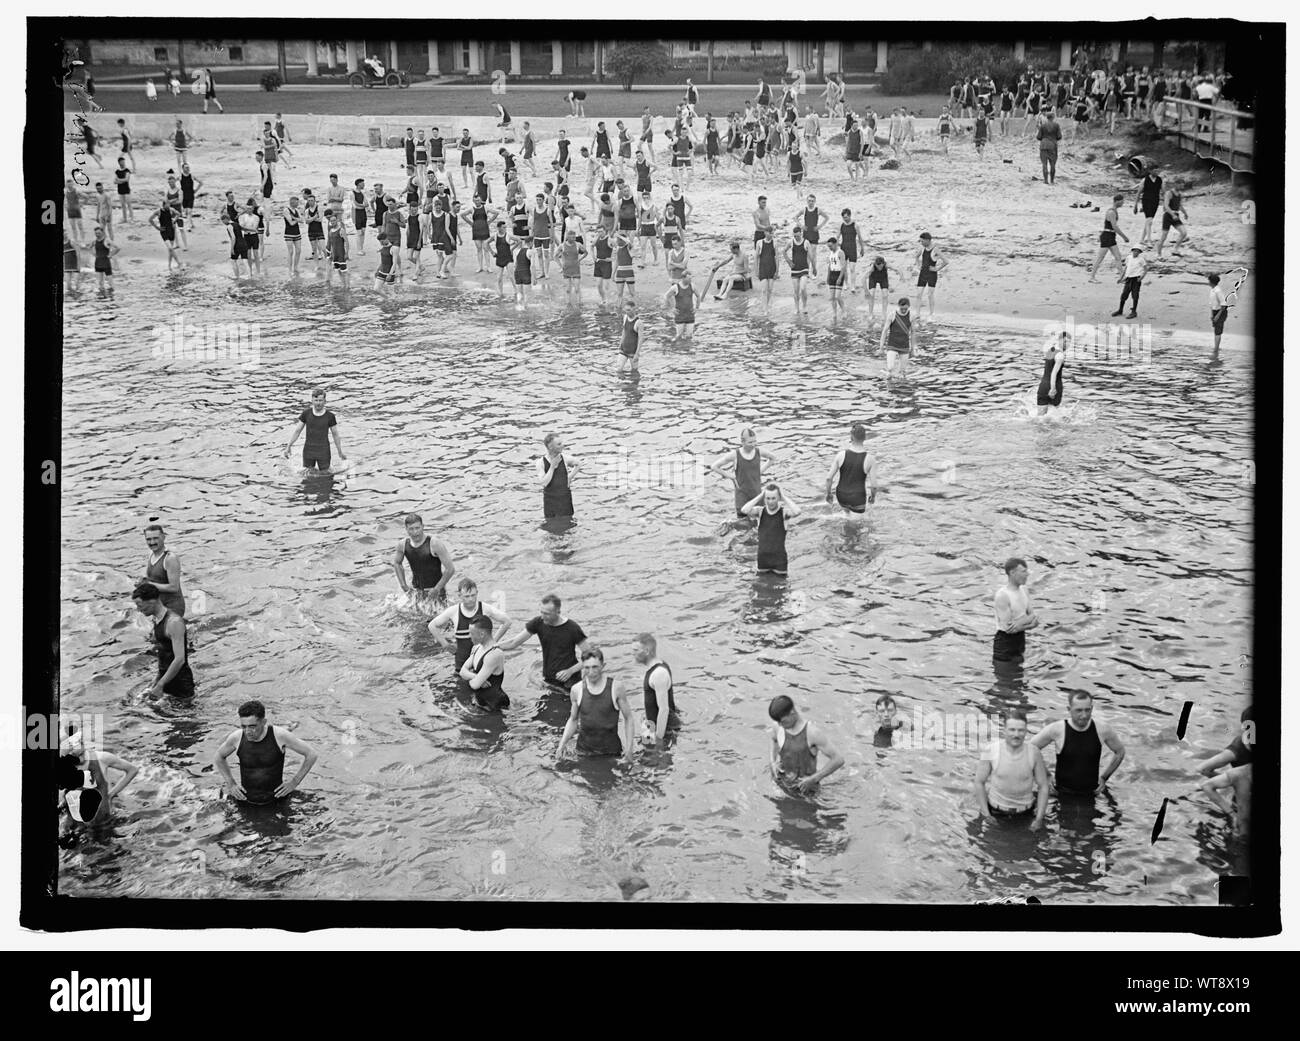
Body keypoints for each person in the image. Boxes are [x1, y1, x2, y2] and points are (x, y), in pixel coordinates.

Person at [213, 700, 318, 805]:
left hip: (277, 799)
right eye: (243, 726)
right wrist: (231, 784)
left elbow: (311, 754)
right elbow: (219, 756)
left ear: (263, 722)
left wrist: (294, 782)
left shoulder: (279, 736)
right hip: (246, 799)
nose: (247, 731)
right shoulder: (237, 737)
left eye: (252, 726)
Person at [1030, 692, 1127, 796]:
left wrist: (1104, 777)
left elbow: (1120, 751)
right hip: (1061, 791)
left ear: (1092, 708)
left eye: (1087, 710)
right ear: (1069, 709)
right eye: (1079, 710)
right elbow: (1030, 748)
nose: (1084, 715)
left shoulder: (1102, 729)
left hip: (1091, 792)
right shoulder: (1057, 729)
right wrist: (1046, 776)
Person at [556, 647, 636, 763]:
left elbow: (628, 718)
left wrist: (629, 749)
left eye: (595, 667)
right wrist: (561, 744)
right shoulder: (576, 689)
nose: (591, 672)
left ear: (603, 666)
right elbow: (573, 719)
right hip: (584, 751)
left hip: (611, 752)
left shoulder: (616, 688)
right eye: (587, 668)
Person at [974, 710, 1050, 830]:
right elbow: (979, 782)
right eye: (1012, 729)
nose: (1016, 734)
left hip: (1025, 813)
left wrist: (1039, 818)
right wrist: (986, 814)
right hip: (996, 811)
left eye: (1021, 730)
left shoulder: (1034, 753)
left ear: (1026, 731)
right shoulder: (991, 750)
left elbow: (1043, 786)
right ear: (1004, 730)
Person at [498, 593, 590, 690]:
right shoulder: (538, 623)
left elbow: (591, 656)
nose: (542, 616)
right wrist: (491, 646)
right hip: (549, 679)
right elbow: (514, 642)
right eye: (541, 612)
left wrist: (570, 671)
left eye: (546, 614)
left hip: (571, 680)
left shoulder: (572, 628)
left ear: (558, 611)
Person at [429, 577, 513, 671]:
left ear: (477, 593)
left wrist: (493, 642)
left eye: (473, 595)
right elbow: (432, 626)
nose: (471, 599)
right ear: (459, 595)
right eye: (467, 596)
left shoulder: (485, 608)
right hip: (461, 664)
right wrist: (445, 644)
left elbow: (507, 621)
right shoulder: (454, 611)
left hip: (483, 663)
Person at [767, 695, 844, 794]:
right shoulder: (777, 727)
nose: (780, 725)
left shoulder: (812, 733)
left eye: (783, 722)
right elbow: (774, 741)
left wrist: (813, 779)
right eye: (778, 722)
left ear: (792, 712)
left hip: (806, 792)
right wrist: (773, 762)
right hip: (783, 785)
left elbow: (838, 759)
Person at [132, 581, 194, 697]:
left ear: (152, 601)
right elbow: (164, 652)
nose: (138, 610)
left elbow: (179, 659)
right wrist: (157, 680)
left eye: (140, 605)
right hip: (165, 677)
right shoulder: (156, 619)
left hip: (180, 683)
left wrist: (160, 685)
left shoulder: (174, 622)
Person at [710, 427, 780, 519]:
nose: (753, 445)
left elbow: (773, 458)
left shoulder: (759, 451)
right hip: (742, 499)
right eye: (750, 442)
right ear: (742, 442)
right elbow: (714, 466)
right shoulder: (735, 455)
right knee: (742, 527)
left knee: (761, 525)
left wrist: (760, 471)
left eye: (755, 441)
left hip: (757, 496)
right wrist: (731, 476)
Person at [391, 513, 455, 605]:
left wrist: (437, 589)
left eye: (417, 528)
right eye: (411, 529)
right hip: (416, 591)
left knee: (437, 618)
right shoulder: (403, 545)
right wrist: (404, 586)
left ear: (423, 527)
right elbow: (397, 563)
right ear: (406, 529)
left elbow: (450, 569)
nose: (415, 532)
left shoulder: (434, 543)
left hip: (436, 591)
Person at [632, 633, 679, 752]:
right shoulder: (658, 666)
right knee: (645, 758)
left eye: (636, 650)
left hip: (664, 730)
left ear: (647, 651)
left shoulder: (659, 674)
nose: (632, 653)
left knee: (655, 762)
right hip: (651, 726)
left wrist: (658, 742)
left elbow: (664, 710)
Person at [742, 483, 801, 575]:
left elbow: (797, 511)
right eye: (768, 498)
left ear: (778, 498)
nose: (770, 501)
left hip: (779, 560)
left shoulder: (784, 513)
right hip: (763, 559)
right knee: (760, 586)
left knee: (780, 587)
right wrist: (761, 495)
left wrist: (784, 497)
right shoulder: (760, 512)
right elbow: (744, 510)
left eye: (773, 498)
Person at [284, 386, 345, 472]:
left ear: (325, 401)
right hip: (309, 450)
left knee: (326, 475)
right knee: (307, 473)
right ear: (312, 401)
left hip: (323, 451)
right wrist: (288, 446)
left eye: (320, 400)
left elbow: (335, 434)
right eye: (316, 400)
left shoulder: (330, 416)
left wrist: (340, 452)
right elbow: (297, 431)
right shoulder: (306, 414)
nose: (318, 403)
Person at [824, 422, 877, 515]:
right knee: (860, 521)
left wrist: (828, 494)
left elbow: (828, 478)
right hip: (858, 498)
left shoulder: (841, 455)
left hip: (841, 496)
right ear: (865, 438)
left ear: (851, 437)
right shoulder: (870, 459)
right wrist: (872, 498)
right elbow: (874, 486)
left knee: (847, 515)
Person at [993, 557, 1038, 665]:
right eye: (1023, 571)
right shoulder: (1002, 595)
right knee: (1005, 678)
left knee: (1019, 676)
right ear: (1012, 573)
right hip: (1005, 644)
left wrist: (1019, 623)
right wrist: (1030, 625)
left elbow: (1033, 615)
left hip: (1020, 639)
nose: (1027, 574)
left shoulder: (1024, 590)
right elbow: (1008, 629)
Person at [459, 617, 509, 711]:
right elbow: (462, 672)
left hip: (495, 706)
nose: (469, 636)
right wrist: (475, 676)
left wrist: (472, 678)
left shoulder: (494, 654)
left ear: (482, 634)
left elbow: (474, 685)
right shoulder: (477, 647)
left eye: (472, 633)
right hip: (481, 702)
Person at [140, 524, 186, 616]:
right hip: (158, 606)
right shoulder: (151, 555)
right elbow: (153, 579)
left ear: (163, 537)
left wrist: (149, 585)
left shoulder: (170, 558)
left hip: (173, 607)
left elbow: (174, 587)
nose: (152, 542)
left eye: (155, 538)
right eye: (148, 539)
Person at [1088, 194, 1129, 281]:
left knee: (1118, 256)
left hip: (1110, 236)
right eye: (1122, 201)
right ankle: (1092, 277)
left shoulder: (1114, 211)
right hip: (1107, 236)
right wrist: (1124, 237)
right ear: (1117, 201)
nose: (1123, 203)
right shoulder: (1111, 212)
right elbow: (1114, 226)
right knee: (1100, 257)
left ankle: (1122, 277)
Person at [537, 432, 576, 518]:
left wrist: (570, 477)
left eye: (562, 443)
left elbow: (578, 464)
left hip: (565, 498)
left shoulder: (565, 458)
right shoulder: (541, 462)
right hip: (550, 500)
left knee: (568, 523)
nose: (563, 445)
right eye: (559, 444)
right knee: (551, 525)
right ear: (550, 447)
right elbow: (544, 483)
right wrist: (552, 467)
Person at [879, 296, 917, 380]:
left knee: (902, 372)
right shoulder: (892, 315)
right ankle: (886, 374)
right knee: (890, 368)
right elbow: (885, 331)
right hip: (892, 344)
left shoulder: (911, 316)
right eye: (902, 308)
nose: (903, 310)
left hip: (904, 345)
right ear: (898, 306)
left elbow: (913, 332)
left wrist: (913, 348)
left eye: (905, 308)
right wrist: (881, 347)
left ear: (909, 306)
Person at [913, 232, 947, 317]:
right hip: (923, 273)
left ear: (927, 240)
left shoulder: (935, 249)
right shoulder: (922, 248)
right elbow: (916, 256)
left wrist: (937, 268)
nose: (921, 243)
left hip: (932, 275)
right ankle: (917, 314)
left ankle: (931, 314)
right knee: (919, 294)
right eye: (920, 241)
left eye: (922, 241)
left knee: (930, 295)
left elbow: (946, 261)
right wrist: (918, 265)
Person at [1036, 331, 1067, 415]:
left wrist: (1067, 375)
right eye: (1065, 342)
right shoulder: (1060, 355)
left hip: (1043, 386)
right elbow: (1053, 373)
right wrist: (1053, 389)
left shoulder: (1050, 351)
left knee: (1040, 418)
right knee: (1054, 419)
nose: (1066, 344)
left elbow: (1049, 371)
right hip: (1055, 387)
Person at [1156, 181, 1189, 257]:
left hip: (1176, 215)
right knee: (1164, 236)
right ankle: (1158, 254)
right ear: (1176, 184)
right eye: (1180, 185)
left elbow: (1179, 205)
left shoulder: (1180, 194)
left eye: (1182, 186)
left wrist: (1185, 213)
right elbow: (1166, 206)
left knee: (1183, 233)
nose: (1181, 187)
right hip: (1168, 215)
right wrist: (1172, 214)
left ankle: (1175, 249)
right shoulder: (1169, 193)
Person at [1112, 246, 1147, 319]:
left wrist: (1141, 278)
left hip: (1136, 279)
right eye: (1134, 251)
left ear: (1139, 252)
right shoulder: (1129, 258)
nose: (1136, 252)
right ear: (1132, 251)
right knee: (1124, 294)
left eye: (1137, 251)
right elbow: (1126, 268)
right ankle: (1120, 310)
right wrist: (1121, 278)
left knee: (1135, 295)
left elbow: (1145, 269)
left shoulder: (1141, 260)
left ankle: (1134, 311)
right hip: (1128, 278)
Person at [1135, 165, 1164, 245]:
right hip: (1146, 201)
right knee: (1149, 220)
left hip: (1155, 201)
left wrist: (1165, 203)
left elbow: (1163, 192)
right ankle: (1149, 240)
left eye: (1158, 171)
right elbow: (1138, 192)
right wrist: (1135, 205)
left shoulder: (1160, 180)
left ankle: (1141, 239)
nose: (1157, 173)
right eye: (1155, 171)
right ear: (1150, 171)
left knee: (1148, 221)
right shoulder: (1145, 180)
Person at [1207, 272, 1236, 350]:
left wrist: (1217, 316)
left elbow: (1223, 305)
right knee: (1216, 329)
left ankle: (1216, 348)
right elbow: (1212, 304)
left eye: (1209, 281)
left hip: (1220, 312)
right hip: (1215, 311)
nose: (1208, 282)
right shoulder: (1212, 290)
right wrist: (1212, 315)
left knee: (1218, 331)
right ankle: (1216, 347)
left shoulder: (1218, 291)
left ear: (1211, 282)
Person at [1036, 111, 1062, 184]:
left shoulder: (1043, 126)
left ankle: (1046, 180)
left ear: (1047, 117)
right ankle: (1052, 180)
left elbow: (1038, 137)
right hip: (1053, 145)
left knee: (1044, 164)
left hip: (1043, 145)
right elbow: (1059, 136)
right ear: (1053, 117)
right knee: (1052, 164)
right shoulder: (1056, 125)